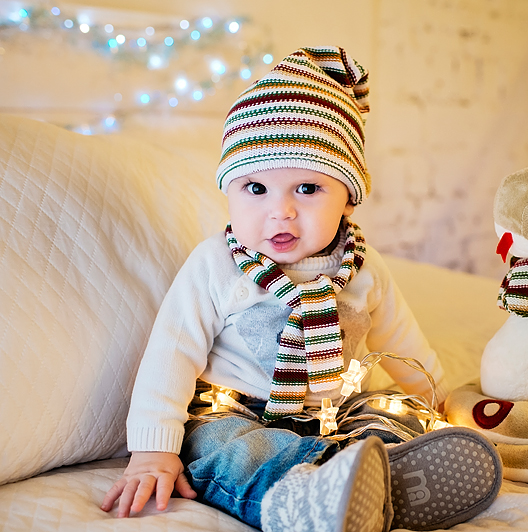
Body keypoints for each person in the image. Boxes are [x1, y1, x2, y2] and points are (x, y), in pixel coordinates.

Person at [101, 46, 501, 532]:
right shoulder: (215, 264)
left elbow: (402, 340)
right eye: (256, 189)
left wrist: (439, 400)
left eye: (307, 189)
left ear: (348, 199)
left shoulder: (363, 268)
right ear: (228, 192)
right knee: (223, 450)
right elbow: (172, 352)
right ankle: (310, 494)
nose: (281, 211)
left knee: (387, 415)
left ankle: (388, 477)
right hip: (236, 409)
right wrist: (152, 450)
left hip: (334, 411)